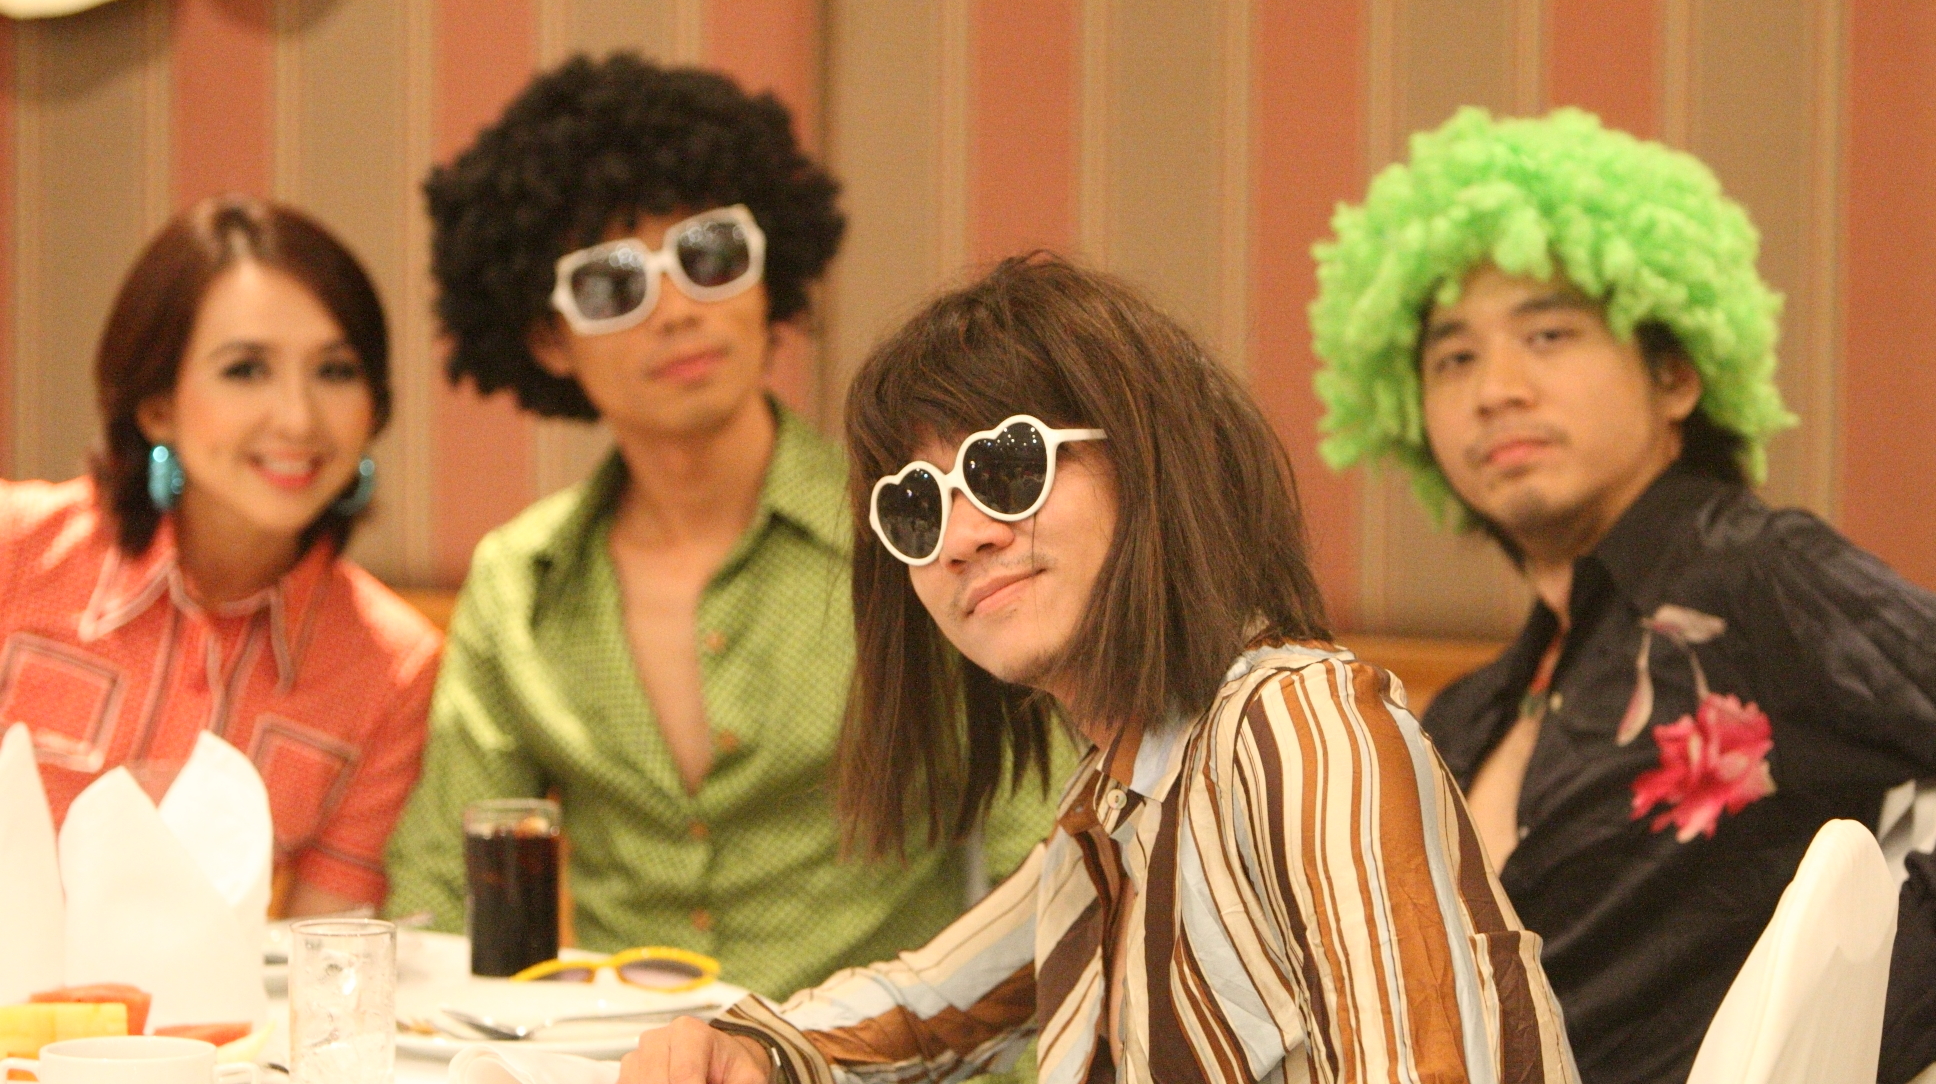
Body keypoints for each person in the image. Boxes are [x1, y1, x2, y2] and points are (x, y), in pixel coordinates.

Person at [618, 257, 1578, 1084]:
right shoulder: (1116, 797)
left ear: (1151, 462)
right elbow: (927, 1006)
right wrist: (737, 1046)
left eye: (1008, 469)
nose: (962, 537)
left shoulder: (1296, 727)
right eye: (916, 508)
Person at [385, 54, 1066, 999]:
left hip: (880, 1056)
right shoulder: (521, 585)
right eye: (612, 285)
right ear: (548, 338)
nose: (676, 310)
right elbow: (441, 892)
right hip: (615, 1058)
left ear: (765, 272)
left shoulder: (912, 533)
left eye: (709, 257)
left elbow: (1047, 865)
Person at [1309, 107, 1936, 1084]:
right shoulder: (1465, 712)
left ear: (1675, 374)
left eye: (1548, 333)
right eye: (1453, 357)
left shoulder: (1757, 576)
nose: (1495, 389)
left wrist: (1866, 1025)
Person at [0, 195, 440, 915]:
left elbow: (323, 953)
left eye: (335, 371)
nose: (298, 418)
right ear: (157, 406)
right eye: (245, 370)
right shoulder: (14, 554)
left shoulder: (389, 672)